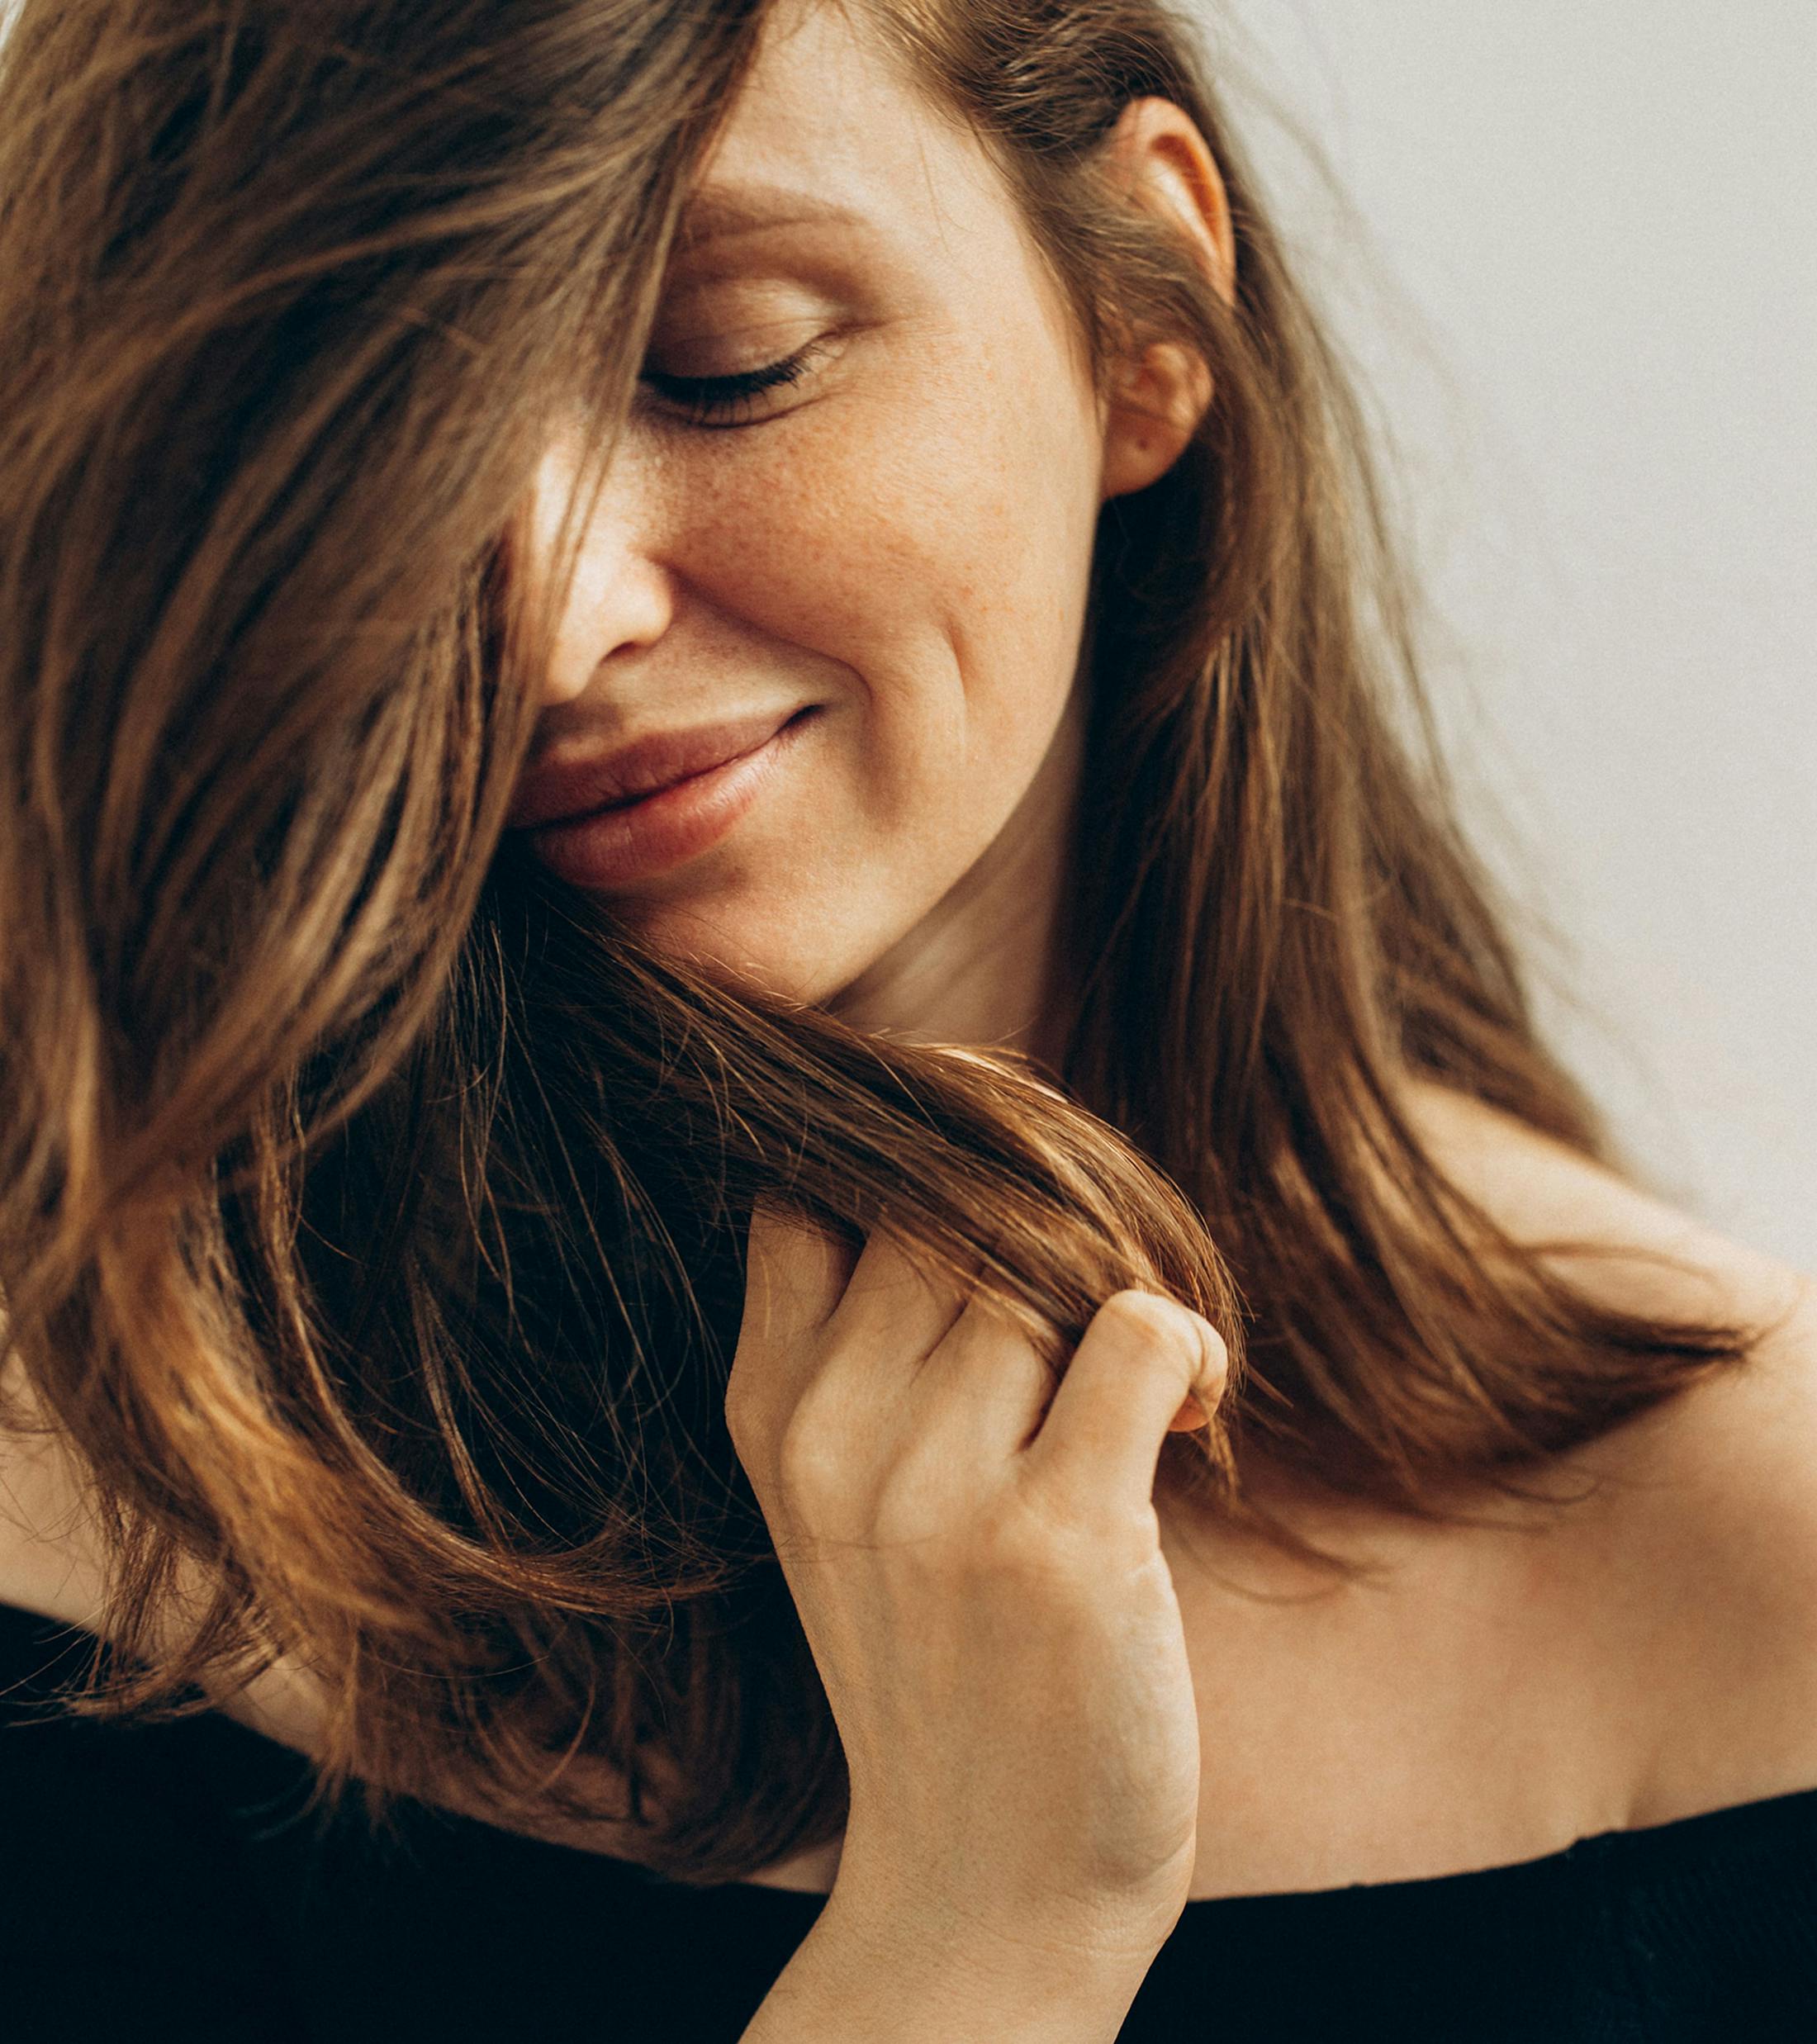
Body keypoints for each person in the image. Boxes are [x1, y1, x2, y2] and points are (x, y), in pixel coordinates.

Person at [0, 0, 1811, 2038]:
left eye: (722, 362)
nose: (551, 603)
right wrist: (974, 1941)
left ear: (1145, 323)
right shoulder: (69, 1482)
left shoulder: (1762, 1565)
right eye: (358, 440)